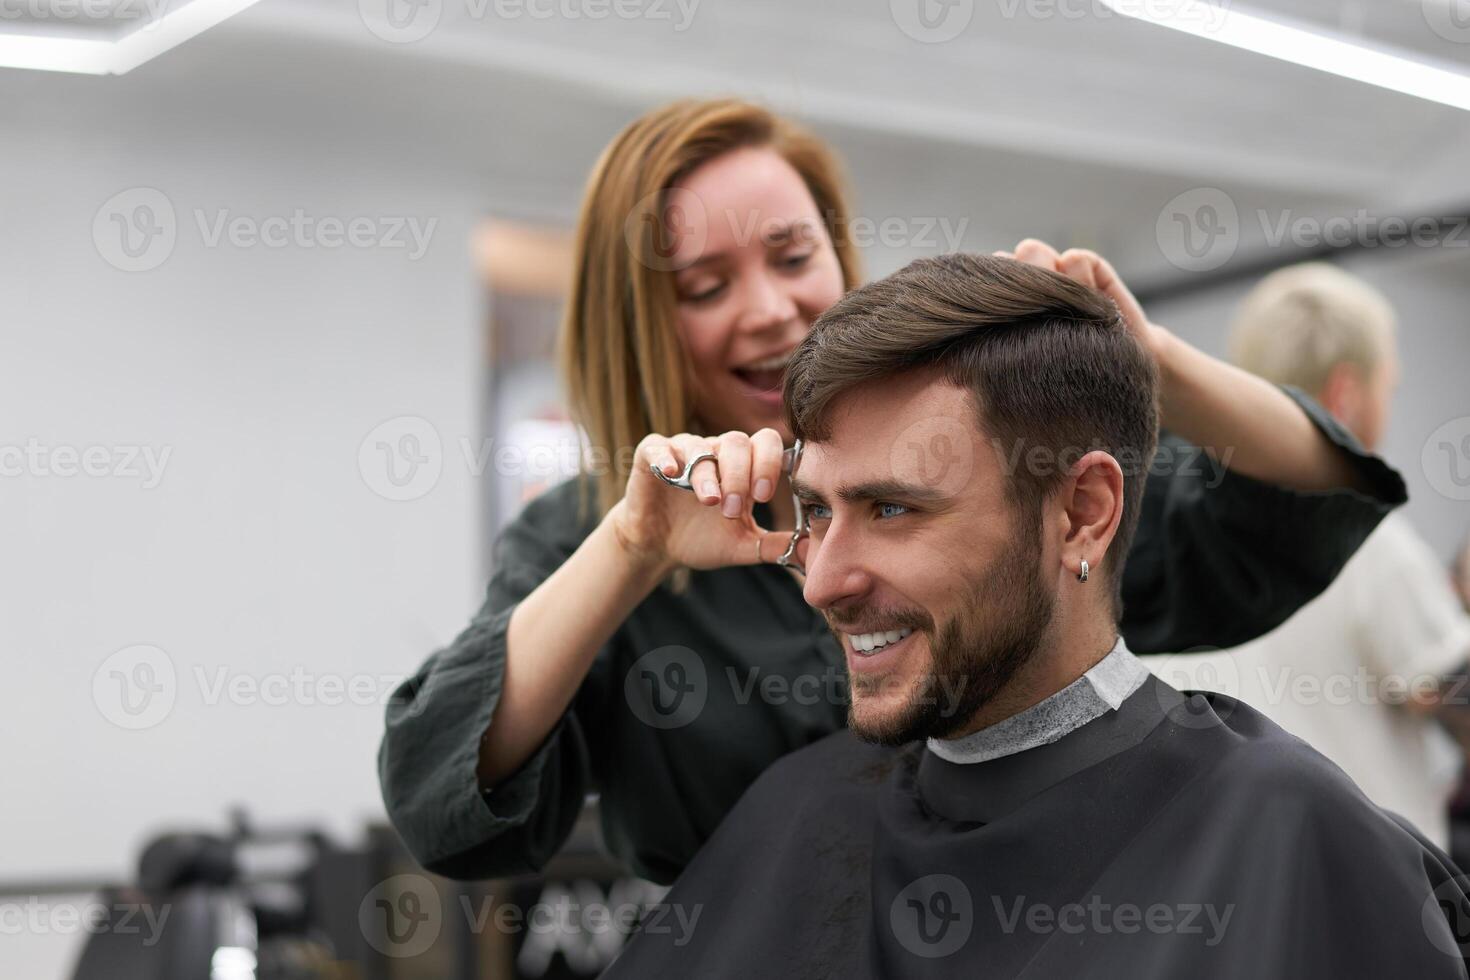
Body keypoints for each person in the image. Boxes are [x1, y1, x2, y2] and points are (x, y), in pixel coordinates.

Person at [377, 99, 1405, 886]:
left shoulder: (989, 477)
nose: (772, 309)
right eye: (705, 286)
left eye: (793, 255)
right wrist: (633, 546)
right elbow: (440, 793)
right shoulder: (586, 540)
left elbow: (1290, 503)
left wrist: (1150, 358)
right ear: (638, 317)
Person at [603, 253, 1470, 979]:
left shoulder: (1284, 836)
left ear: (1082, 512)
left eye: (894, 510)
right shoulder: (791, 817)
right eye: (818, 510)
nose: (822, 582)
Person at [1160, 263, 1470, 849]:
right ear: (1346, 397)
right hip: (1361, 897)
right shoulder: (1360, 534)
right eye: (1389, 388)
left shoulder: (1175, 528)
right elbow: (1454, 693)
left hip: (1215, 888)